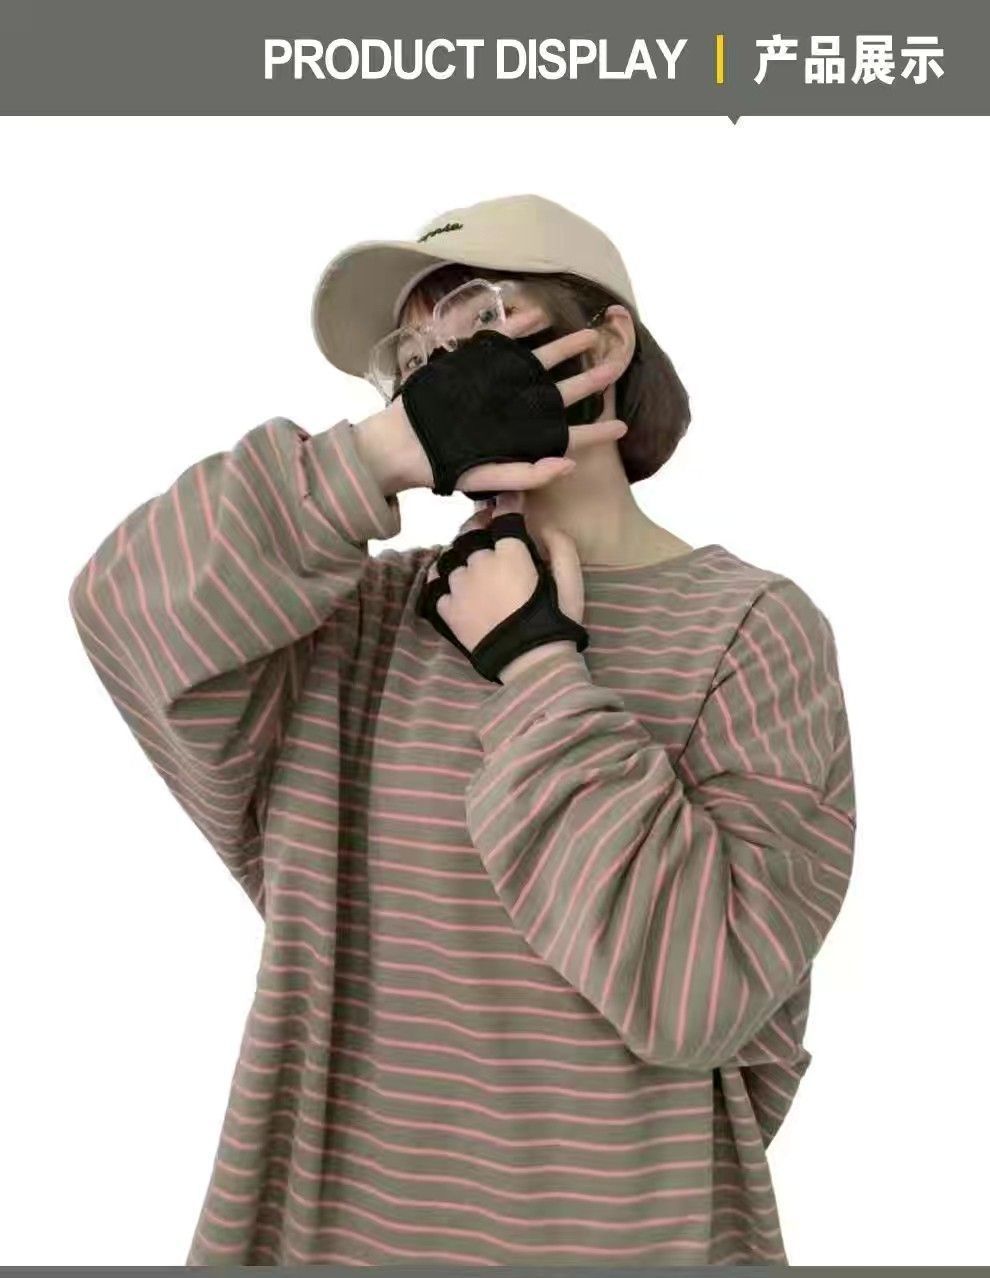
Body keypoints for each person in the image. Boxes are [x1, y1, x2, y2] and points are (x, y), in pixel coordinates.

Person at [67, 193, 856, 1266]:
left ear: (604, 343)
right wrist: (378, 457)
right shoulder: (353, 624)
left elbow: (699, 993)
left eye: (475, 317)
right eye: (411, 359)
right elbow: (124, 607)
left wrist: (537, 669)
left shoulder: (755, 627)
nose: (436, 367)